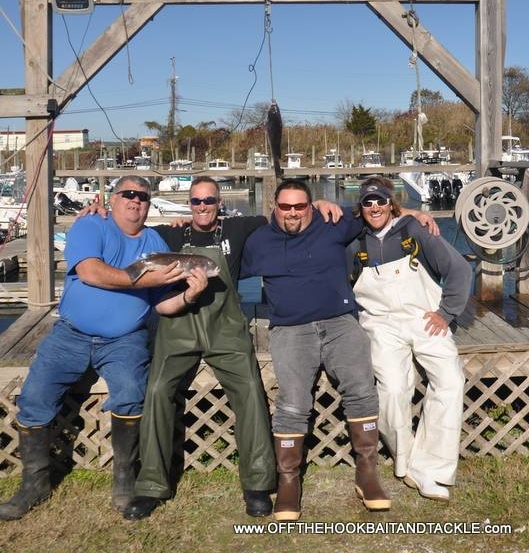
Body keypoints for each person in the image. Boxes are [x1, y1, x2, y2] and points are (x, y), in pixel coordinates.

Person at [123, 175, 344, 520]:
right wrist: (99, 212)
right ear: (189, 204)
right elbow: (130, 228)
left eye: (209, 201)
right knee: (156, 389)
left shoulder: (241, 228)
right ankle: (151, 485)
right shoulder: (169, 234)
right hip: (178, 326)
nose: (202, 207)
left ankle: (258, 483)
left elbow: (286, 214)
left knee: (251, 389)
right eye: (196, 201)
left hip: (225, 328)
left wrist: (315, 205)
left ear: (220, 203)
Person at [0, 176, 208, 522]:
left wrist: (189, 295)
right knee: (34, 396)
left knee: (132, 393)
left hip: (125, 339)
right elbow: (91, 272)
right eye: (128, 194)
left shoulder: (155, 242)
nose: (136, 200)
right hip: (71, 334)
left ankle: (124, 477)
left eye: (143, 196)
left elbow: (162, 304)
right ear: (112, 199)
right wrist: (145, 279)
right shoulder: (90, 225)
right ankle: (34, 483)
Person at [239, 179, 438, 520]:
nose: (292, 213)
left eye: (300, 206)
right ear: (274, 206)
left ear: (310, 206)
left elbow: (375, 211)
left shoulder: (333, 222)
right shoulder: (258, 241)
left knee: (362, 390)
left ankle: (367, 473)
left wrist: (411, 212)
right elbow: (235, 274)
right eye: (285, 206)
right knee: (292, 403)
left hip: (339, 322)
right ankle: (288, 482)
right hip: (290, 328)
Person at [347, 176, 471, 502]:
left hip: (425, 318)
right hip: (380, 325)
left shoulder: (414, 230)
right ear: (360, 207)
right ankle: (406, 461)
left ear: (392, 204)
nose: (375, 207)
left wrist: (446, 312)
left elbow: (459, 270)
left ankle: (433, 466)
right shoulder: (353, 241)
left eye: (381, 200)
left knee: (450, 381)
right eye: (368, 202)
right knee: (392, 390)